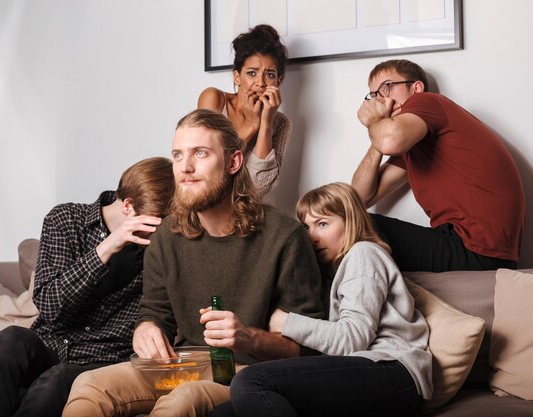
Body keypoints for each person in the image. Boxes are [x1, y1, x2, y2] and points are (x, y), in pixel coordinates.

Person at [62, 109, 325, 417]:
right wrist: (146, 329)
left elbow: (309, 348)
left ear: (233, 162)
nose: (185, 168)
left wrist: (249, 336)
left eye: (200, 153)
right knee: (89, 384)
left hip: (248, 374)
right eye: (177, 155)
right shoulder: (166, 235)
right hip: (182, 364)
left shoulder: (284, 235)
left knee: (182, 400)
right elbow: (154, 312)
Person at [0, 157, 175, 417]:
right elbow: (49, 304)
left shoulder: (158, 251)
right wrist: (107, 248)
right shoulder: (66, 220)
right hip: (50, 344)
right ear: (128, 206)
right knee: (10, 339)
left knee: (58, 379)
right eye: (149, 226)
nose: (155, 236)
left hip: (101, 360)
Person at [212, 182, 432, 417]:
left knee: (252, 380)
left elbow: (352, 340)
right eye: (306, 227)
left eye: (323, 224)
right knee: (226, 412)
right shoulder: (329, 274)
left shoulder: (364, 254)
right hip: (366, 375)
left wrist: (285, 322)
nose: (312, 237)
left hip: (393, 374)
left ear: (352, 222)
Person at [352, 59, 525, 272]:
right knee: (349, 219)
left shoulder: (427, 102)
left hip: (478, 250)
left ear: (416, 88)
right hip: (469, 248)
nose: (380, 100)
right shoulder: (409, 143)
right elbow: (360, 197)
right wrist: (379, 129)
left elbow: (389, 140)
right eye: (375, 95)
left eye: (387, 87)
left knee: (350, 226)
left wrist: (375, 123)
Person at [198, 24, 291, 196]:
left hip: (247, 213)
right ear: (237, 77)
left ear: (278, 82)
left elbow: (258, 187)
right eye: (252, 73)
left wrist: (265, 123)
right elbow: (205, 166)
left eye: (270, 75)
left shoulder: (280, 123)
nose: (261, 82)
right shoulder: (214, 99)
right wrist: (251, 127)